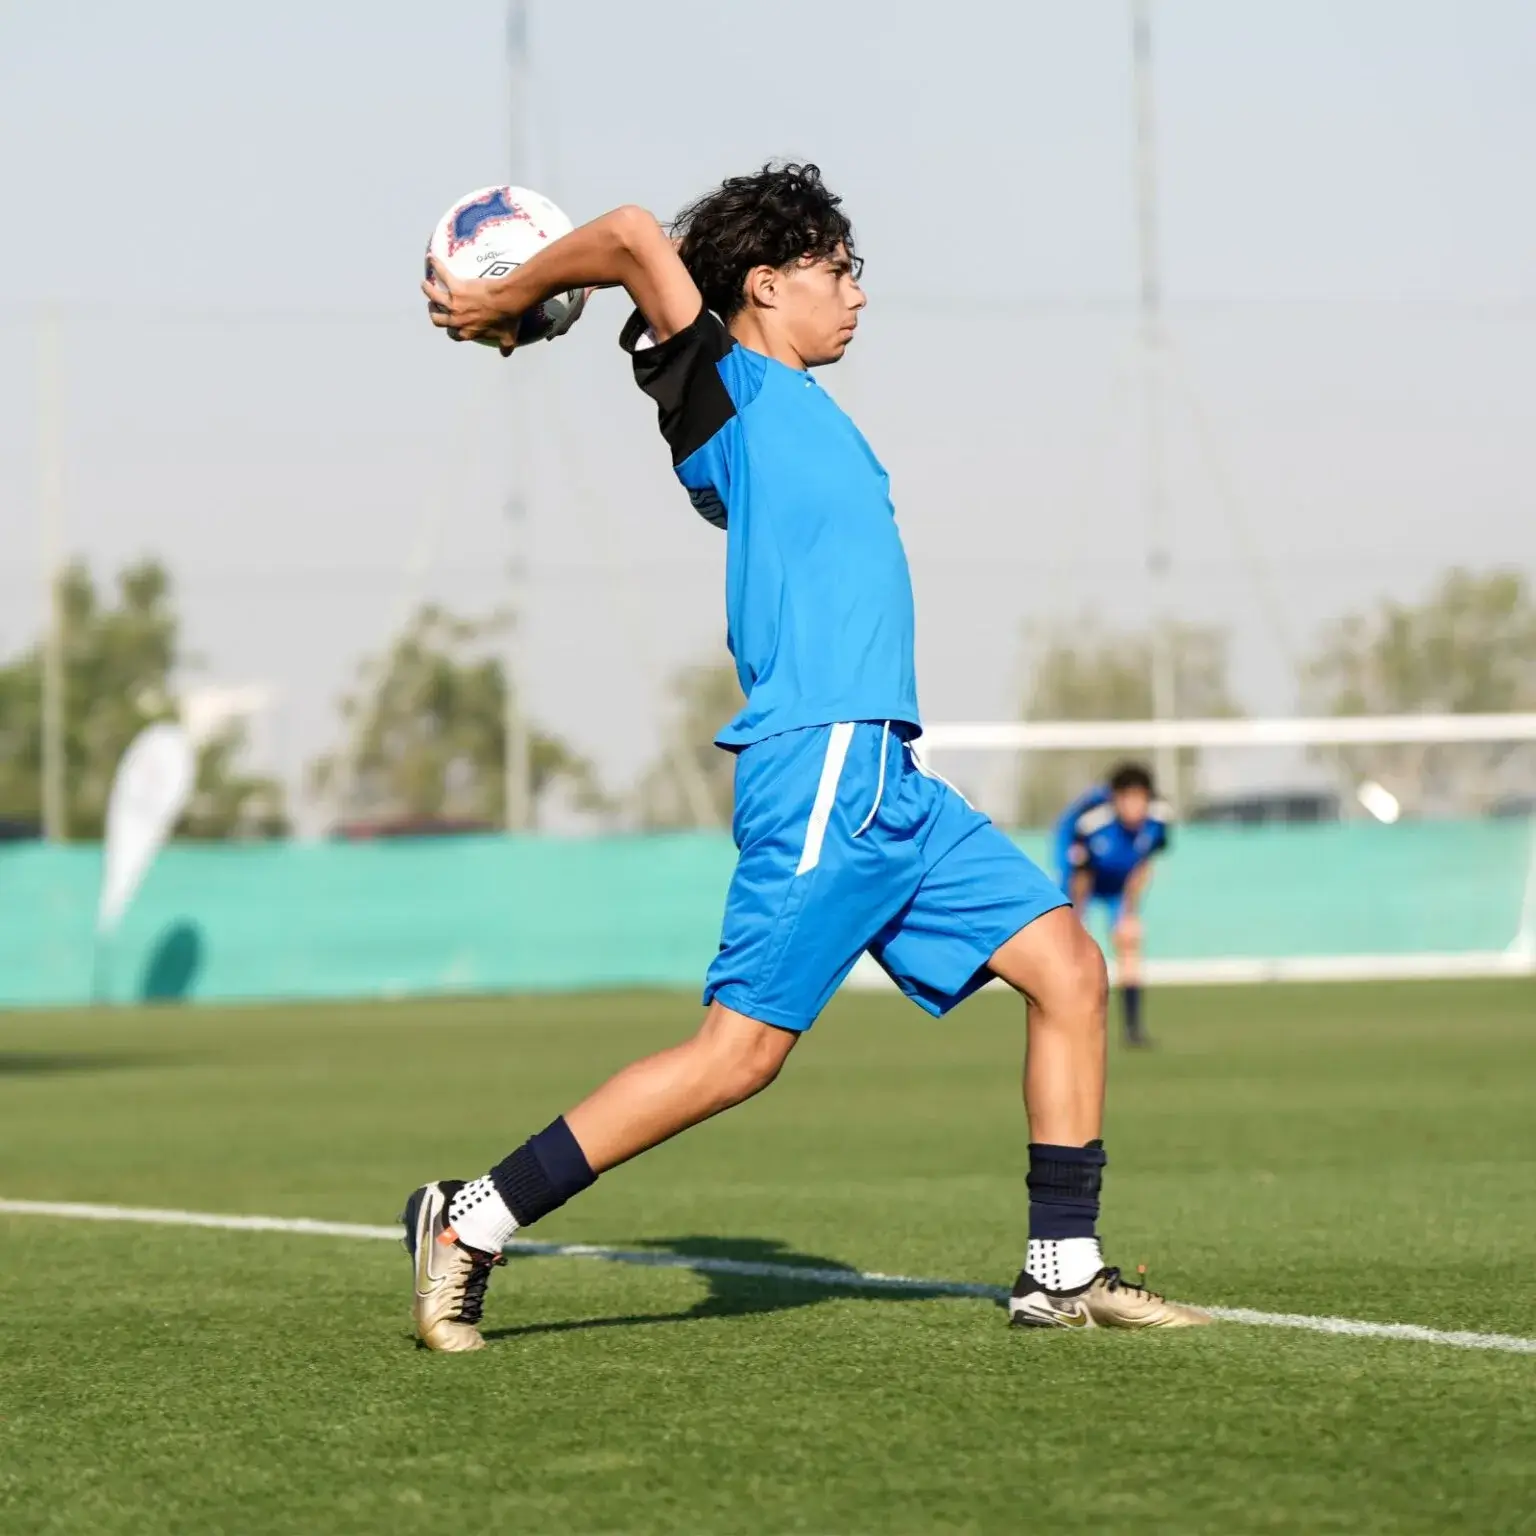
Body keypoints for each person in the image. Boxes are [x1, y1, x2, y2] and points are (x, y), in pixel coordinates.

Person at [411, 164, 1209, 1349]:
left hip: (896, 780)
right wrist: (505, 297)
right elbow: (633, 235)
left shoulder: (803, 408)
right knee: (736, 1058)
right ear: (764, 284)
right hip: (823, 765)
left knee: (1072, 972)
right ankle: (471, 1218)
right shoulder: (724, 391)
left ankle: (1063, 1268)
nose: (859, 296)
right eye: (841, 270)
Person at [1054, 764, 1172, 1049]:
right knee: (1074, 955)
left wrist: (1129, 912)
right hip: (1083, 882)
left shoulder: (1159, 821)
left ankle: (1132, 1030)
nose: (1135, 807)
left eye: (1140, 799)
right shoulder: (1091, 825)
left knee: (1129, 939)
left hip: (1121, 883)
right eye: (1127, 799)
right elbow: (1081, 878)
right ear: (1115, 800)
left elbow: (1143, 867)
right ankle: (1071, 1027)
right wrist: (1077, 920)